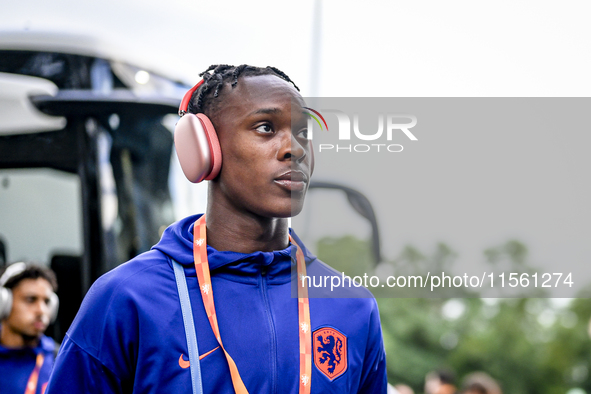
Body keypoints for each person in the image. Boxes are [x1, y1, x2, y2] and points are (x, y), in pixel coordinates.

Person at [46, 64, 387, 393]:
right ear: (203, 148)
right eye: (266, 127)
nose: (294, 149)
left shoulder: (354, 307)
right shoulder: (124, 299)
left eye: (302, 133)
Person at [0, 262, 59, 394]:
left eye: (47, 302)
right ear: (3, 303)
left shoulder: (59, 360)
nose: (41, 310)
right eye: (31, 300)